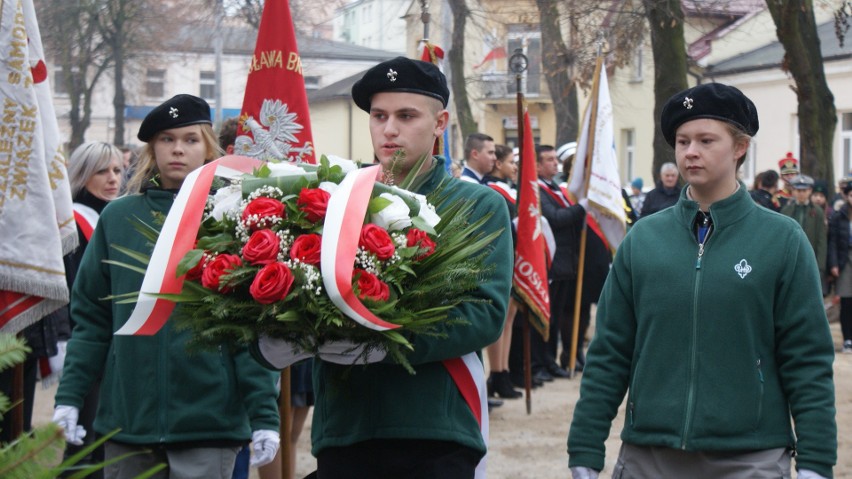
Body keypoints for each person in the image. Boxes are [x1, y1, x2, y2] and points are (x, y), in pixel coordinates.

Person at [253, 57, 513, 478]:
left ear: (440, 122)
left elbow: (483, 314)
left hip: (435, 427)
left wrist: (381, 343)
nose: (389, 129)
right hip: (346, 426)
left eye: (406, 116)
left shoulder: (476, 206)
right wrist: (280, 331)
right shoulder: (331, 200)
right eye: (379, 116)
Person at [568, 83, 836, 479]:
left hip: (750, 456)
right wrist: (585, 447)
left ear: (740, 147)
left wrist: (816, 460)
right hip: (650, 455)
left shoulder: (781, 240)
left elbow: (808, 357)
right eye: (682, 141)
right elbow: (610, 351)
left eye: (706, 140)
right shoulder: (643, 238)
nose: (690, 151)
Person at [53, 94, 281, 479]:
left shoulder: (234, 218)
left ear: (207, 146)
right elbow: (92, 318)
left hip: (209, 420)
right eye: (166, 139)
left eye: (190, 139)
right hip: (129, 420)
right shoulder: (118, 218)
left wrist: (263, 413)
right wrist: (70, 397)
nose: (178, 149)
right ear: (151, 148)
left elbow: (252, 327)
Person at [537, 144, 583, 380]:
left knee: (556, 315)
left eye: (556, 159)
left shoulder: (554, 188)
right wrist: (581, 208)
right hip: (552, 263)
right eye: (549, 160)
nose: (555, 163)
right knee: (548, 315)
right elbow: (555, 218)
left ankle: (551, 361)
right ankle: (542, 361)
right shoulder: (538, 190)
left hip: (566, 262)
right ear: (536, 165)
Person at [484, 144, 522, 400]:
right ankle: (497, 372)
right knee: (501, 317)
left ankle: (504, 370)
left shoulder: (510, 188)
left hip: (515, 259)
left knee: (510, 317)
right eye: (511, 162)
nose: (515, 167)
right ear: (498, 164)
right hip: (499, 259)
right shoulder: (491, 189)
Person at [781, 174, 827, 285]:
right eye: (798, 190)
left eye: (804, 190)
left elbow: (822, 240)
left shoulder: (817, 211)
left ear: (810, 190)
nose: (801, 194)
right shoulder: (786, 210)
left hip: (810, 258)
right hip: (789, 259)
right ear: (793, 190)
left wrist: (820, 267)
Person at [828, 181, 852, 354]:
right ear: (846, 196)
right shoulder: (839, 215)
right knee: (846, 300)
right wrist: (834, 263)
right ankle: (847, 339)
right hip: (845, 260)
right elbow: (833, 241)